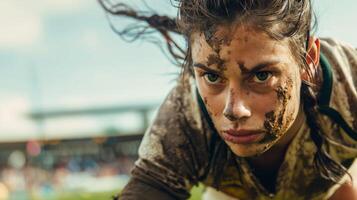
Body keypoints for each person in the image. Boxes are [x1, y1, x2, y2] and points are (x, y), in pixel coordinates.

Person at [101, 0, 357, 199]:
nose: (234, 110)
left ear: (308, 59)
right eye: (212, 77)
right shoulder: (185, 119)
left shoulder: (351, 82)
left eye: (262, 75)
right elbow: (150, 186)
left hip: (333, 185)